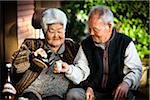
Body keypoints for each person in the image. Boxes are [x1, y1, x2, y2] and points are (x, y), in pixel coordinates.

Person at [66, 5, 142, 100]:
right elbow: (81, 71)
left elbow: (135, 70)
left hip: (117, 93)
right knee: (73, 94)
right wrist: (88, 87)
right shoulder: (86, 44)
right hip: (93, 93)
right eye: (90, 29)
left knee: (127, 96)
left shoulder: (125, 43)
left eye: (95, 29)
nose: (91, 33)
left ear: (109, 26)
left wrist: (126, 83)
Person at [11, 8, 89, 100]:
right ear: (44, 32)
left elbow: (83, 73)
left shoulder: (73, 48)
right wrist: (32, 56)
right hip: (32, 91)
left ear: (64, 31)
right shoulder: (31, 44)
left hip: (57, 94)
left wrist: (68, 69)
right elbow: (16, 67)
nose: (56, 36)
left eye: (59, 31)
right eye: (51, 31)